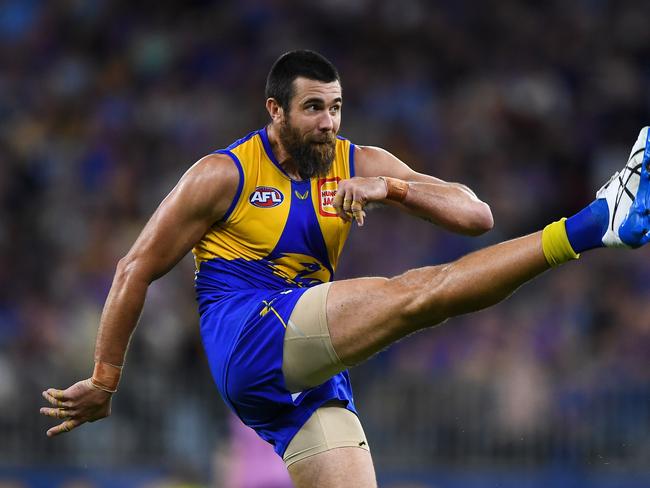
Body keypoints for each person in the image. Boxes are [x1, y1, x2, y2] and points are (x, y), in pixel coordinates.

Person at [40, 49, 650, 488]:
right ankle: (595, 223)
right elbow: (133, 270)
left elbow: (477, 215)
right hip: (248, 333)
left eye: (335, 108)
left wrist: (391, 188)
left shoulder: (360, 161)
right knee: (419, 294)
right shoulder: (221, 174)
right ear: (274, 110)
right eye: (313, 109)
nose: (329, 123)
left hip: (302, 368)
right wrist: (105, 378)